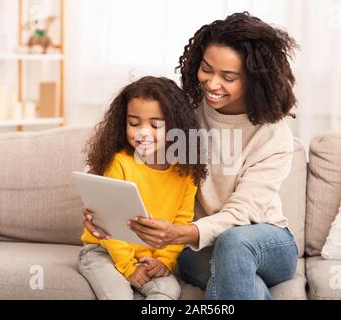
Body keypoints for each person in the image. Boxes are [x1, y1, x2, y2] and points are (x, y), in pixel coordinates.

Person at [84, 11, 299, 300]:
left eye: (228, 77)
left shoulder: (274, 134)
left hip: (264, 240)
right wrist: (100, 207)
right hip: (199, 248)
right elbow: (124, 154)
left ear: (254, 78)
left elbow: (240, 214)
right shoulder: (185, 113)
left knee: (234, 244)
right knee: (237, 279)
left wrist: (176, 233)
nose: (211, 83)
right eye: (206, 69)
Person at [78, 76, 207, 300]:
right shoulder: (118, 163)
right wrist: (128, 267)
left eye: (155, 125)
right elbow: (110, 224)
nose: (143, 132)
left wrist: (164, 261)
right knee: (118, 296)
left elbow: (181, 221)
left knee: (168, 292)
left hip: (151, 257)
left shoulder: (186, 171)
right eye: (134, 123)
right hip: (104, 252)